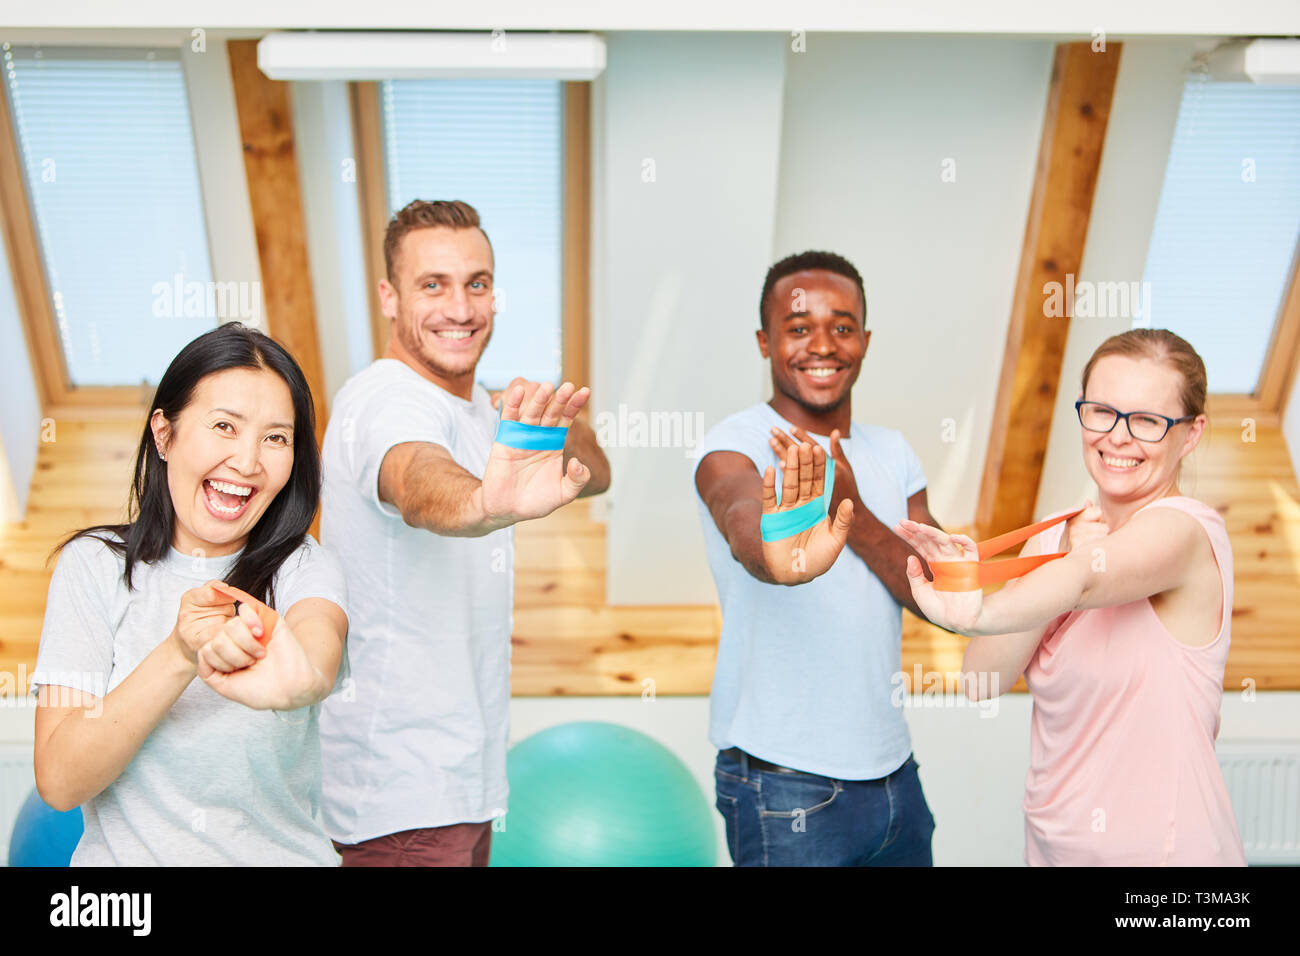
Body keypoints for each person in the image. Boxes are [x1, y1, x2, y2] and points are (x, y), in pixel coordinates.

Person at [319, 199, 611, 866]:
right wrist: (483, 501)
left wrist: (536, 419)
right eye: (434, 285)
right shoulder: (384, 399)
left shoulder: (480, 408)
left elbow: (597, 471)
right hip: (397, 796)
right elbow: (418, 480)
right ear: (389, 298)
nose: (460, 307)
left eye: (476, 283)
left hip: (461, 785)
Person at [897, 328, 1247, 866]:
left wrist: (979, 609)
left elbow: (1090, 577)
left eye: (1148, 421)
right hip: (1053, 850)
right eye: (1101, 411)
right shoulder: (1056, 539)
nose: (1118, 437)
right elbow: (980, 681)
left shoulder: (1188, 532)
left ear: (1192, 433)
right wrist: (1053, 555)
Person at [31, 322, 350, 866]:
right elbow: (60, 781)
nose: (248, 462)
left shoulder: (304, 567)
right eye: (225, 426)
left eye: (276, 437)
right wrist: (181, 653)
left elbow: (317, 644)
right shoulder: (93, 566)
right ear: (164, 433)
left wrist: (300, 677)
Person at [692, 249, 943, 866]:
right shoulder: (734, 444)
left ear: (865, 339)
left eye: (842, 326)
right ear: (765, 341)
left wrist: (850, 509)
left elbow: (936, 591)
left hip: (895, 777)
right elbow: (742, 524)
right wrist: (783, 556)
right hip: (783, 784)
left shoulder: (894, 452)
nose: (822, 345)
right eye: (799, 328)